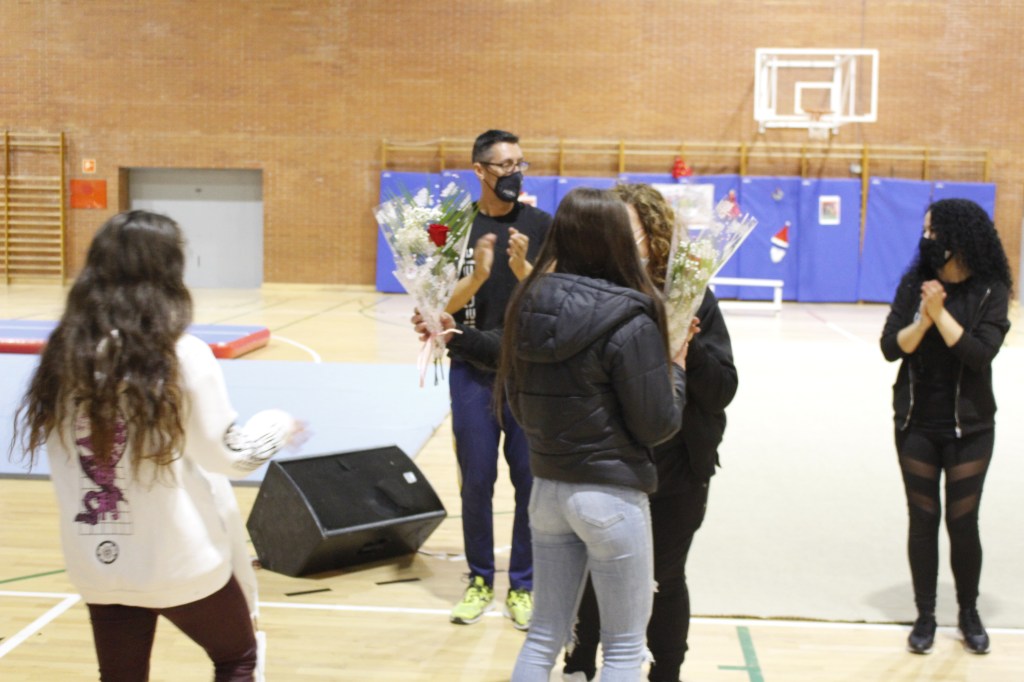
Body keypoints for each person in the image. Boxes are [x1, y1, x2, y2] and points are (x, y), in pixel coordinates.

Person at [11, 210, 304, 681]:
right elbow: (230, 457)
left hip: (96, 563)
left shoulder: (61, 355)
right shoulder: (181, 354)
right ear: (166, 273)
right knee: (237, 658)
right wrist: (278, 425)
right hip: (177, 560)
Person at [498, 187, 687, 682]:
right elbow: (657, 424)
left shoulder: (527, 301)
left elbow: (516, 402)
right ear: (617, 241)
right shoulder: (632, 314)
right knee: (624, 649)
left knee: (542, 636)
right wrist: (677, 369)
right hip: (610, 495)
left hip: (547, 489)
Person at [562, 183, 738, 682]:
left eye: (630, 228)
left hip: (677, 464)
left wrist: (687, 344)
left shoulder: (691, 294)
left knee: (664, 576)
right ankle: (580, 663)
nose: (619, 238)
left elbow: (722, 390)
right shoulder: (587, 290)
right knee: (596, 568)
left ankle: (666, 673)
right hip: (606, 460)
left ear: (653, 234)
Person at [880, 198, 1011, 656]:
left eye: (934, 231)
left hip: (970, 427)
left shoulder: (991, 289)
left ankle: (968, 613)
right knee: (923, 519)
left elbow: (979, 354)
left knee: (962, 521)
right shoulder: (915, 283)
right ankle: (925, 615)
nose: (927, 239)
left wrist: (940, 315)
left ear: (959, 237)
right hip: (916, 422)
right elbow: (891, 347)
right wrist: (923, 319)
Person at [444, 129, 552, 629]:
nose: (514, 173)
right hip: (471, 371)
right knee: (476, 481)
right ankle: (480, 579)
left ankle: (523, 585)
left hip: (528, 375)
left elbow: (555, 298)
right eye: (504, 165)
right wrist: (479, 276)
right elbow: (439, 306)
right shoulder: (452, 228)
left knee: (529, 482)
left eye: (519, 164)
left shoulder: (542, 225)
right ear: (479, 170)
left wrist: (523, 268)